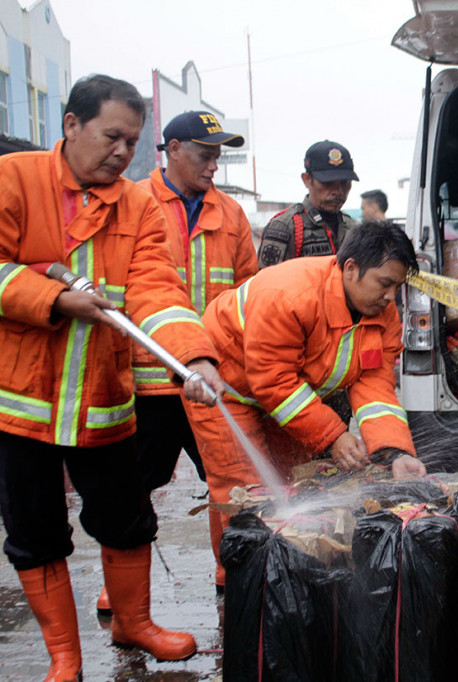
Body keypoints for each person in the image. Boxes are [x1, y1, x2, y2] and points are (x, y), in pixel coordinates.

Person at [0, 74, 226, 680]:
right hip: (20, 403)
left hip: (103, 401)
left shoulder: (136, 202)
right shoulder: (14, 179)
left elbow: (158, 288)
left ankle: (134, 624)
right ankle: (64, 657)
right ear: (70, 125)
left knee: (127, 517)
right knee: (36, 531)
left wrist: (196, 357)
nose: (123, 152)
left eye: (132, 141)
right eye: (111, 136)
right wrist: (50, 299)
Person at [82, 112, 259, 616]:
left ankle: (233, 567)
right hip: (147, 379)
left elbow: (248, 293)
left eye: (218, 156)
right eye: (205, 154)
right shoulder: (131, 203)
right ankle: (119, 582)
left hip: (211, 378)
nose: (213, 165)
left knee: (232, 480)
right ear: (173, 149)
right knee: (132, 485)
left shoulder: (231, 214)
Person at [185, 221, 426, 590]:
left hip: (288, 394)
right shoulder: (290, 294)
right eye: (384, 284)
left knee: (289, 486)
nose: (391, 298)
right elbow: (272, 380)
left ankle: (282, 575)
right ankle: (237, 583)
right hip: (224, 389)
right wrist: (333, 438)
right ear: (350, 269)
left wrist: (394, 452)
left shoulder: (382, 314)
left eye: (398, 287)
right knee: (246, 490)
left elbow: (375, 384)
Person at [257, 140, 359, 268]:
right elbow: (266, 282)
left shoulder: (352, 228)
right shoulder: (285, 226)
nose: (338, 191)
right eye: (328, 183)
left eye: (344, 183)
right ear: (307, 180)